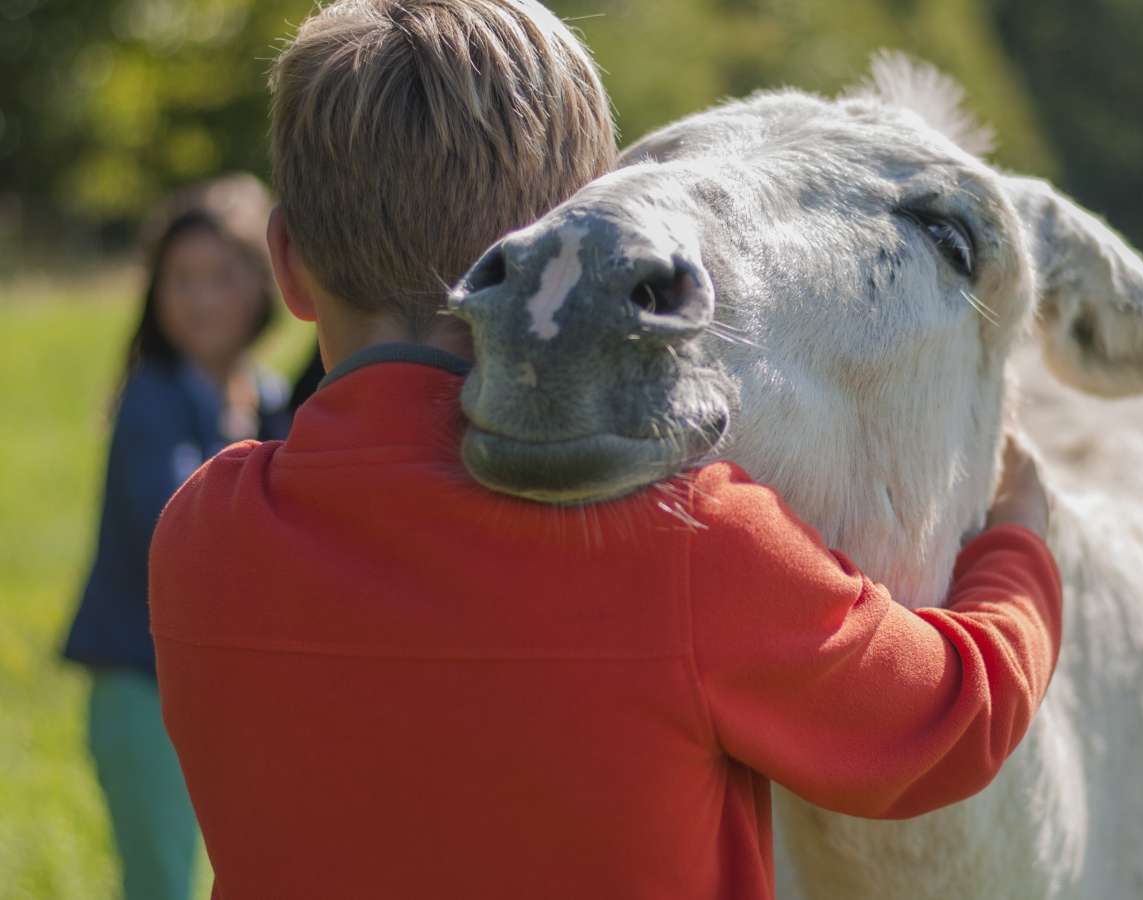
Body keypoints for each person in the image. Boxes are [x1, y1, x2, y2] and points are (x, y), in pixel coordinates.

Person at [147, 2, 1064, 898]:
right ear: (580, 240)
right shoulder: (689, 542)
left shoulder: (202, 534)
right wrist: (1020, 543)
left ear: (286, 263)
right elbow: (954, 715)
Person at [60, 172, 289, 900]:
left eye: (221, 278)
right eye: (181, 279)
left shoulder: (270, 396)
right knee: (161, 885)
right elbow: (181, 523)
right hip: (139, 691)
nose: (199, 298)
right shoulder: (150, 400)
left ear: (265, 284)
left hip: (223, 691)